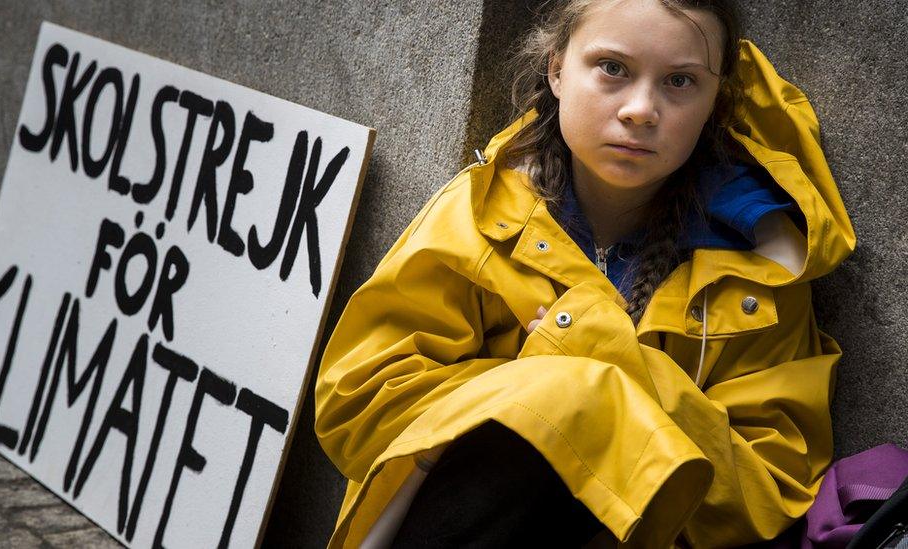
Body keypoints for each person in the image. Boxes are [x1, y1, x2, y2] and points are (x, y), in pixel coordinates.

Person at [314, 0, 856, 546]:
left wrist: (604, 357)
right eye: (613, 69)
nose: (641, 109)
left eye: (680, 81)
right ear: (556, 69)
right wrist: (558, 391)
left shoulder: (762, 264)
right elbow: (357, 402)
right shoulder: (482, 214)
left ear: (716, 98)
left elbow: (772, 491)